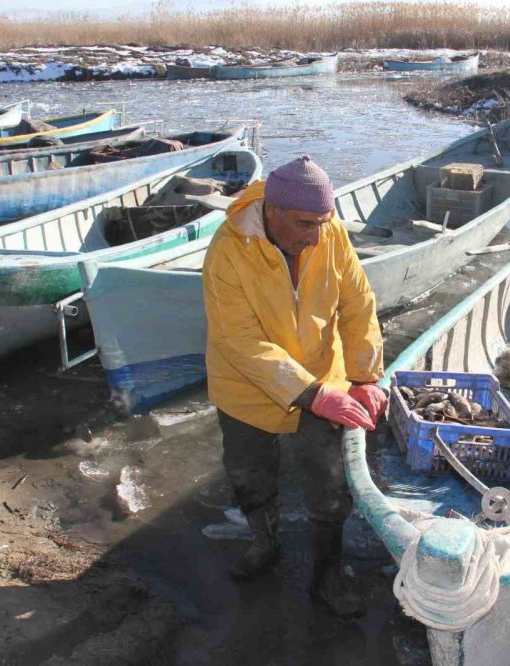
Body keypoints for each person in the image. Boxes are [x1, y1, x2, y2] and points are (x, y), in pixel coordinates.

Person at [202, 155, 386, 619]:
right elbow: (239, 341)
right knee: (249, 473)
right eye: (305, 224)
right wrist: (311, 394)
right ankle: (263, 544)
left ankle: (327, 576)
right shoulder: (228, 249)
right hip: (246, 386)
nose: (316, 235)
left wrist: (364, 376)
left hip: (323, 378)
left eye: (323, 222)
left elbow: (358, 304)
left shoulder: (331, 234)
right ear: (272, 211)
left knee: (329, 485)